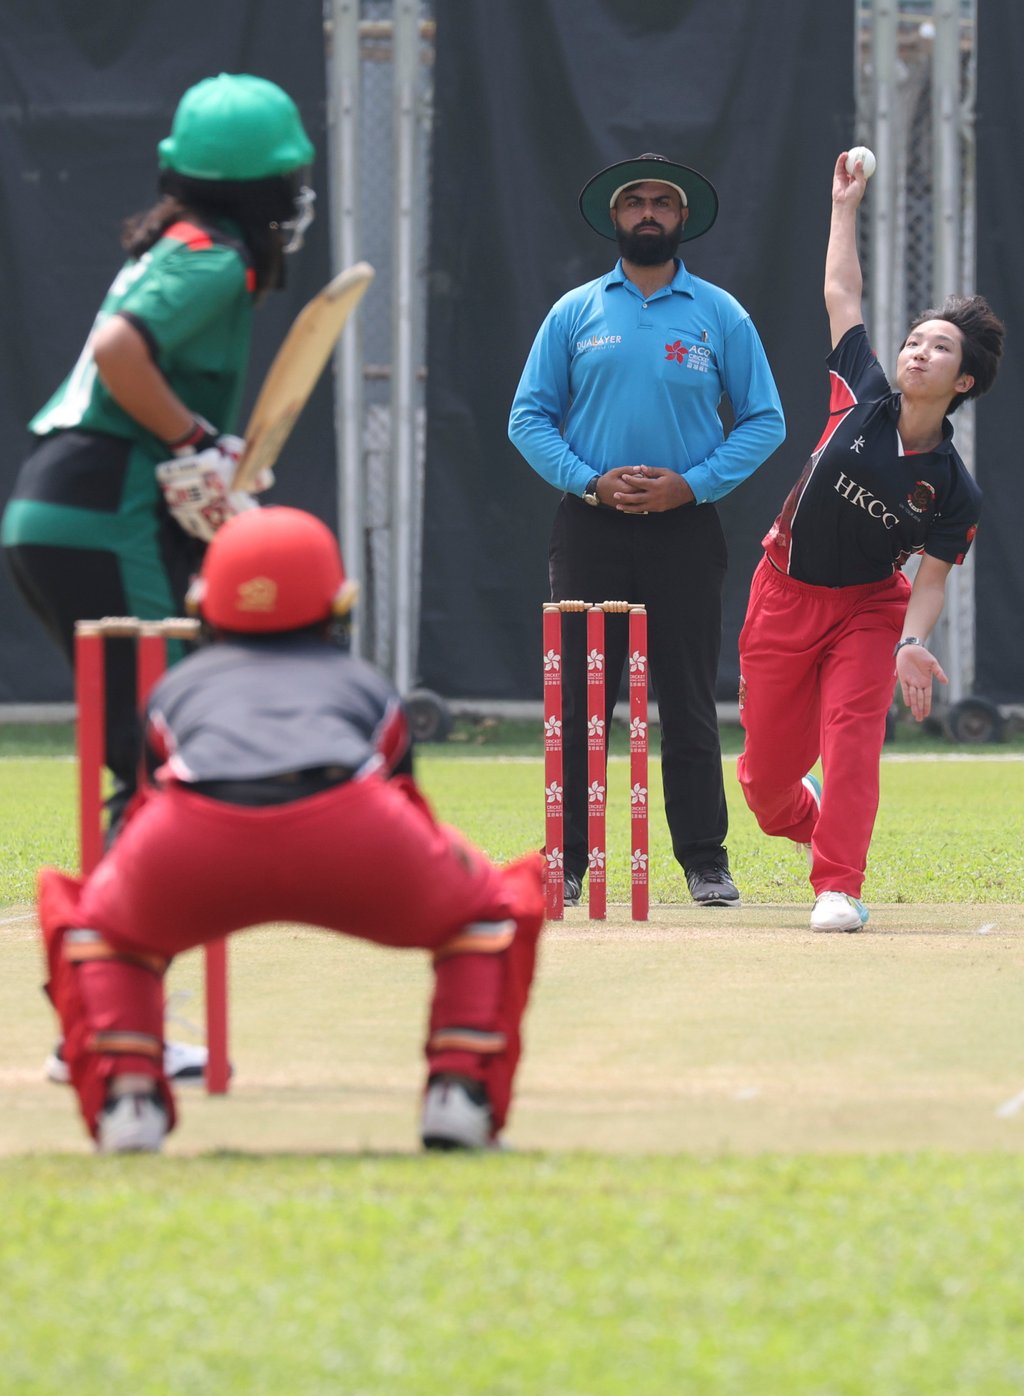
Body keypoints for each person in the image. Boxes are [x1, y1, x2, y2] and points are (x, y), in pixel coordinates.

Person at [36, 505, 546, 1154]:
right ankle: (459, 1092)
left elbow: (147, 798)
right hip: (352, 828)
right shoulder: (367, 684)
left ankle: (128, 1096)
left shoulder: (174, 687)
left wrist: (129, 899)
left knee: (100, 928)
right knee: (490, 910)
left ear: (204, 603)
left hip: (193, 838)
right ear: (339, 605)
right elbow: (402, 794)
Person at [3, 72, 315, 1085]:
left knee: (151, 764)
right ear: (260, 192)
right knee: (169, 765)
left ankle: (97, 1013)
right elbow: (118, 351)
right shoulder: (217, 260)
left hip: (70, 509)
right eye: (288, 180)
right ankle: (103, 1015)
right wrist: (194, 440)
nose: (298, 198)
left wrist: (209, 458)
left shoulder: (176, 245)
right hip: (105, 513)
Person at [736, 151, 1005, 933]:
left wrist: (912, 642)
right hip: (782, 592)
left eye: (939, 348)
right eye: (916, 339)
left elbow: (931, 578)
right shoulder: (859, 391)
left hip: (868, 608)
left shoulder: (955, 490)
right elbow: (841, 291)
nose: (917, 350)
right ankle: (806, 812)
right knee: (765, 784)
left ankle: (839, 885)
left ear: (964, 382)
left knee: (852, 734)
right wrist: (843, 205)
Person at [509, 153, 785, 908]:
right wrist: (589, 480)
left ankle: (704, 859)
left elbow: (765, 420)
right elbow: (527, 416)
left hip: (686, 529)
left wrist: (689, 485)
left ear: (683, 218)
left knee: (688, 697)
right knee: (579, 704)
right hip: (590, 526)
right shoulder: (576, 311)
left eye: (664, 201)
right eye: (636, 202)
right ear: (615, 218)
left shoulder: (719, 313)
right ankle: (565, 859)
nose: (650, 212)